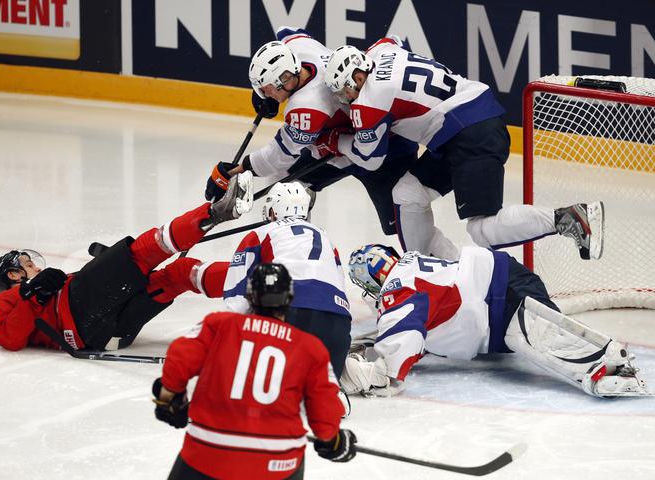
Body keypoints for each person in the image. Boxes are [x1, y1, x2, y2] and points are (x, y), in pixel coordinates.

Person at [320, 39, 604, 261]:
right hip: (462, 127)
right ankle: (431, 273)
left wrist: (335, 142)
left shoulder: (367, 102)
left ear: (358, 77)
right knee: (407, 194)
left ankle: (568, 217)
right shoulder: (382, 51)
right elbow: (390, 40)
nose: (346, 100)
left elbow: (370, 159)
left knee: (482, 229)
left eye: (345, 91)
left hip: (468, 132)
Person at [204, 27, 458, 256]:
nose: (265, 96)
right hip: (340, 146)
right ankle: (295, 257)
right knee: (285, 188)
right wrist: (267, 93)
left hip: (384, 148)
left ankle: (447, 270)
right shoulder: (301, 50)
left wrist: (237, 170)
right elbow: (289, 31)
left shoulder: (307, 107)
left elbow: (278, 156)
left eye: (267, 89)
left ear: (285, 80)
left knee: (405, 225)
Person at [0, 173, 253, 352]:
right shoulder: (2, 301)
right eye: (28, 265)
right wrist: (31, 294)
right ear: (13, 274)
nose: (36, 268)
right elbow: (9, 338)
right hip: (80, 320)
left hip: (113, 333)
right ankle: (217, 211)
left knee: (181, 274)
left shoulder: (47, 286)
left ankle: (256, 285)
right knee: (141, 252)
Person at [340, 244, 650, 398]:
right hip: (504, 283)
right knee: (529, 334)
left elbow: (394, 361)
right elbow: (422, 330)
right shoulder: (411, 267)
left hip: (500, 299)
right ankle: (605, 361)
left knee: (535, 337)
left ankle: (609, 364)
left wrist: (366, 373)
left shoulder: (398, 290)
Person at [152, 263, 357, 480]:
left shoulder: (219, 324)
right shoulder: (310, 348)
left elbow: (179, 358)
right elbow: (325, 413)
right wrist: (334, 442)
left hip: (208, 454)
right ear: (289, 299)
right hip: (277, 463)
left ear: (250, 295)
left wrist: (169, 399)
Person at [223, 181, 351, 379]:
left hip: (290, 314)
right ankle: (335, 391)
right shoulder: (326, 239)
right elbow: (340, 285)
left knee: (268, 385)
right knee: (321, 386)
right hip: (338, 324)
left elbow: (237, 296)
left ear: (274, 211)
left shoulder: (260, 234)